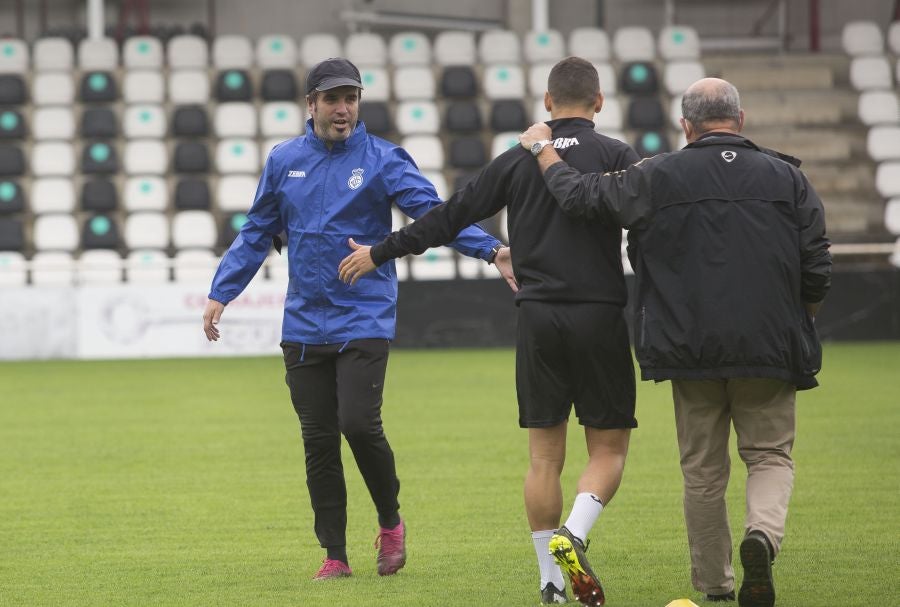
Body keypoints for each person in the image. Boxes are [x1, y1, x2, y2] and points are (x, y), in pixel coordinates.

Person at [338, 56, 640, 606]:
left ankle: (550, 581)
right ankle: (576, 532)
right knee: (609, 449)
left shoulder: (517, 160)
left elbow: (446, 217)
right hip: (599, 313)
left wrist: (381, 252)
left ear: (547, 104)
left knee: (544, 458)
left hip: (538, 316)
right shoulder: (617, 155)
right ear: (599, 103)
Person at [520, 77, 832, 607]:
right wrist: (800, 318)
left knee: (703, 473)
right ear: (742, 118)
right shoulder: (789, 179)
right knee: (770, 457)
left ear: (685, 126)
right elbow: (817, 266)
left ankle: (715, 586)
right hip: (770, 345)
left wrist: (543, 149)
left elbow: (579, 196)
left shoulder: (657, 174)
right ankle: (762, 536)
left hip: (691, 348)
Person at [201, 57, 513, 581]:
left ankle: (390, 522)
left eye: (351, 98)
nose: (343, 108)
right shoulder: (283, 161)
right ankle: (335, 553)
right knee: (318, 439)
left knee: (357, 423)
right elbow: (256, 231)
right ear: (311, 105)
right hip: (302, 323)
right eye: (332, 99)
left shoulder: (384, 159)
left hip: (364, 315)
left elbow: (433, 214)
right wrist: (221, 291)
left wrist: (490, 249)